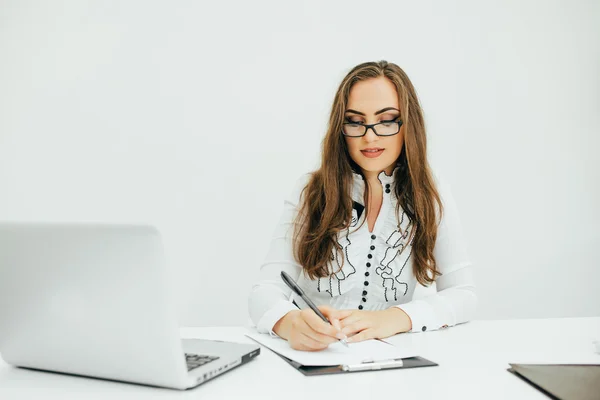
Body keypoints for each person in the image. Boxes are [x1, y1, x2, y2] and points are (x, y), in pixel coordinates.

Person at [248, 60, 477, 351]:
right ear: (340, 128)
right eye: (355, 121)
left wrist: (396, 318)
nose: (370, 136)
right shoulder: (311, 191)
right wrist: (290, 322)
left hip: (390, 361)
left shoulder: (430, 194)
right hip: (318, 359)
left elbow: (464, 295)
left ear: (409, 124)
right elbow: (264, 291)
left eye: (386, 120)